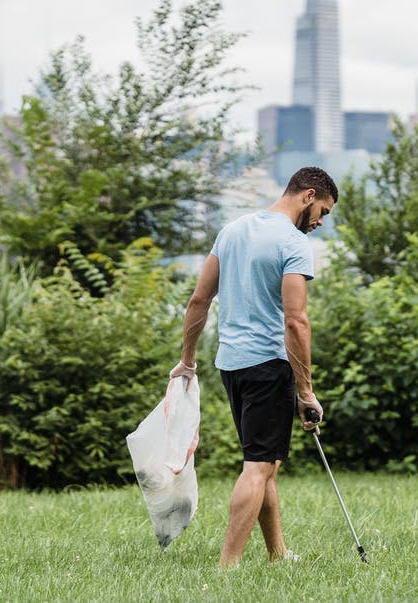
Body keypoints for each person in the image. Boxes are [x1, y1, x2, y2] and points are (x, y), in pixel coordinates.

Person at [171, 166, 337, 568]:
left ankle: (277, 553)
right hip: (267, 364)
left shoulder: (232, 230)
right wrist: (306, 391)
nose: (319, 222)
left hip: (231, 364)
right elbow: (295, 322)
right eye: (323, 212)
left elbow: (198, 301)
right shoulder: (293, 242)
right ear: (308, 195)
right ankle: (228, 566)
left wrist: (187, 360)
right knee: (258, 466)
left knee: (266, 464)